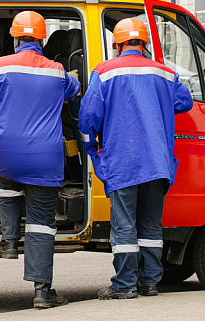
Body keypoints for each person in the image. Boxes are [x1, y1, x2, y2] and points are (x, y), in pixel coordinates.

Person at [0, 10, 80, 309]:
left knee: (6, 181)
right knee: (42, 223)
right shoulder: (57, 71)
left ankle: (8, 242)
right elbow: (74, 89)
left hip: (6, 157)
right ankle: (42, 292)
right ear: (42, 38)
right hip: (46, 159)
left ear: (15, 37)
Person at [78, 17, 193, 300]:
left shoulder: (104, 73)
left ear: (117, 44)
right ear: (145, 44)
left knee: (125, 227)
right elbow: (185, 102)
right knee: (151, 227)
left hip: (122, 163)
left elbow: (89, 116)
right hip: (157, 163)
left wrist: (91, 146)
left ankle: (124, 286)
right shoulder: (164, 73)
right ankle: (150, 283)